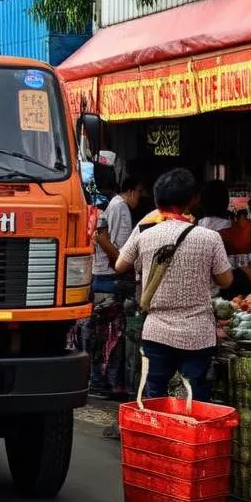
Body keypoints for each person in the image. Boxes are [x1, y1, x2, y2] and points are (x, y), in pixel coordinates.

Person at [116, 168, 233, 402]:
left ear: (157, 201)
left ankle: (159, 438)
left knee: (155, 397)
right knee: (194, 400)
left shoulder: (145, 234)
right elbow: (226, 280)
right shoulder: (209, 237)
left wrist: (145, 221)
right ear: (193, 200)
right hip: (197, 334)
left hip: (157, 331)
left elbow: (120, 264)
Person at [86, 177, 146, 397]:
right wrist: (124, 267)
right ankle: (107, 384)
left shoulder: (112, 206)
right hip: (110, 279)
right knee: (111, 337)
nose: (140, 198)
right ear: (131, 190)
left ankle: (100, 382)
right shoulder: (121, 207)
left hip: (101, 277)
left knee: (101, 337)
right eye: (140, 192)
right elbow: (120, 254)